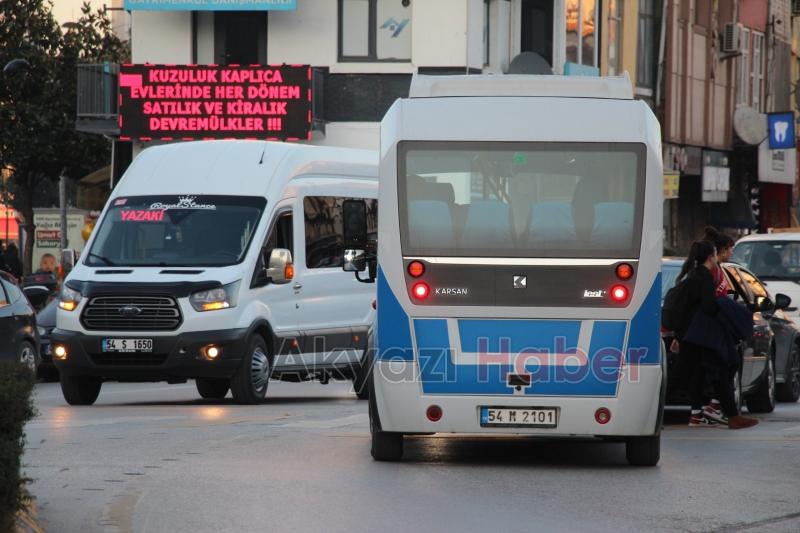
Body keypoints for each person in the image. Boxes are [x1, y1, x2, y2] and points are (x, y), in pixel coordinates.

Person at [676, 240, 758, 430]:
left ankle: (702, 414)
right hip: (704, 334)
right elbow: (708, 306)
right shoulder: (704, 277)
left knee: (700, 374)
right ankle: (731, 415)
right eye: (714, 254)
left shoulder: (694, 275)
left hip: (693, 334)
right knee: (723, 370)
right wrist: (724, 305)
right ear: (710, 256)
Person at [704, 226, 734, 297]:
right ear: (723, 251)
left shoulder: (717, 268)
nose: (732, 252)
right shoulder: (713, 269)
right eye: (731, 249)